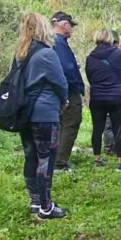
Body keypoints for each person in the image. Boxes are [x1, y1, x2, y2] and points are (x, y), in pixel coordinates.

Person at [14, 13, 69, 219]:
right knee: (46, 158)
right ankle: (47, 206)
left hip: (24, 112)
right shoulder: (47, 54)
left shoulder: (21, 52)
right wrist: (64, 100)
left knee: (31, 156)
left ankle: (35, 201)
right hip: (45, 113)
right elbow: (60, 82)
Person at [85, 28, 121, 171]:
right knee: (118, 129)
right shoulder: (117, 53)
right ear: (111, 39)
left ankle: (97, 159)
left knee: (97, 129)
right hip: (116, 96)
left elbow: (89, 77)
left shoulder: (90, 57)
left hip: (97, 96)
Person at [51, 11, 84, 172]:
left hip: (58, 90)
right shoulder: (60, 42)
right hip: (69, 91)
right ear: (64, 25)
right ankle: (60, 162)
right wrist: (74, 84)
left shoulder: (51, 41)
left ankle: (54, 158)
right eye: (71, 25)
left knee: (59, 125)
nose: (71, 29)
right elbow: (66, 68)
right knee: (71, 123)